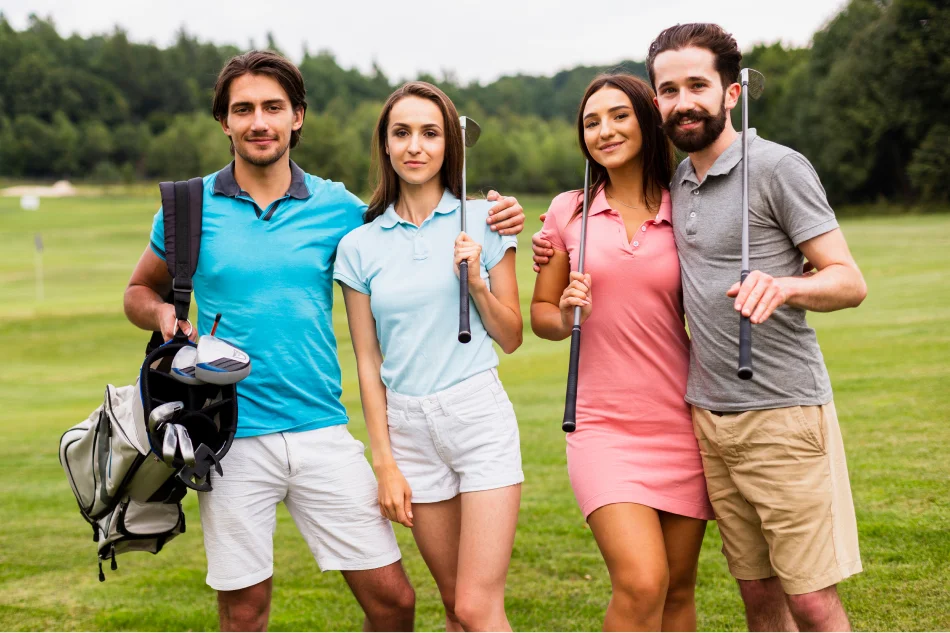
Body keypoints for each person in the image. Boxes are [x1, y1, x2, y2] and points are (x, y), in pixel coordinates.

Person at [123, 51, 526, 632]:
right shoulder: (186, 207)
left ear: (297, 117)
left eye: (272, 107)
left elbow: (409, 224)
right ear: (224, 122)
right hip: (229, 435)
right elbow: (138, 290)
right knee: (244, 610)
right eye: (243, 110)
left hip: (321, 430)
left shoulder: (341, 209)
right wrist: (161, 311)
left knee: (393, 603)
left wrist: (497, 215)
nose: (258, 121)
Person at [534, 24, 868, 632]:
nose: (683, 100)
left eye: (697, 85)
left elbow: (849, 280)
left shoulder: (776, 167)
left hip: (779, 411)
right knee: (756, 596)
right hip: (706, 417)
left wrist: (787, 285)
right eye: (669, 89)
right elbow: (565, 290)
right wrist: (551, 264)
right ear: (656, 102)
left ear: (731, 92)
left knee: (812, 602)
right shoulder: (676, 186)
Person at [333, 81, 524, 632]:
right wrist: (385, 462)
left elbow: (511, 336)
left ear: (449, 146)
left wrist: (479, 286)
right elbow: (368, 363)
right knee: (453, 605)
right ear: (386, 146)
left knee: (475, 608)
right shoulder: (359, 246)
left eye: (430, 133)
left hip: (478, 417)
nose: (416, 145)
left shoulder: (485, 221)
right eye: (402, 133)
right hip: (409, 428)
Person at [530, 73, 714, 632]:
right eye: (591, 122)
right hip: (601, 426)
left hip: (680, 419)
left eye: (618, 116)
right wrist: (564, 311)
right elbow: (541, 316)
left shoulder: (687, 203)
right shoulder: (569, 212)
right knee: (641, 582)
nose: (604, 130)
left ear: (647, 119)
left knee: (678, 593)